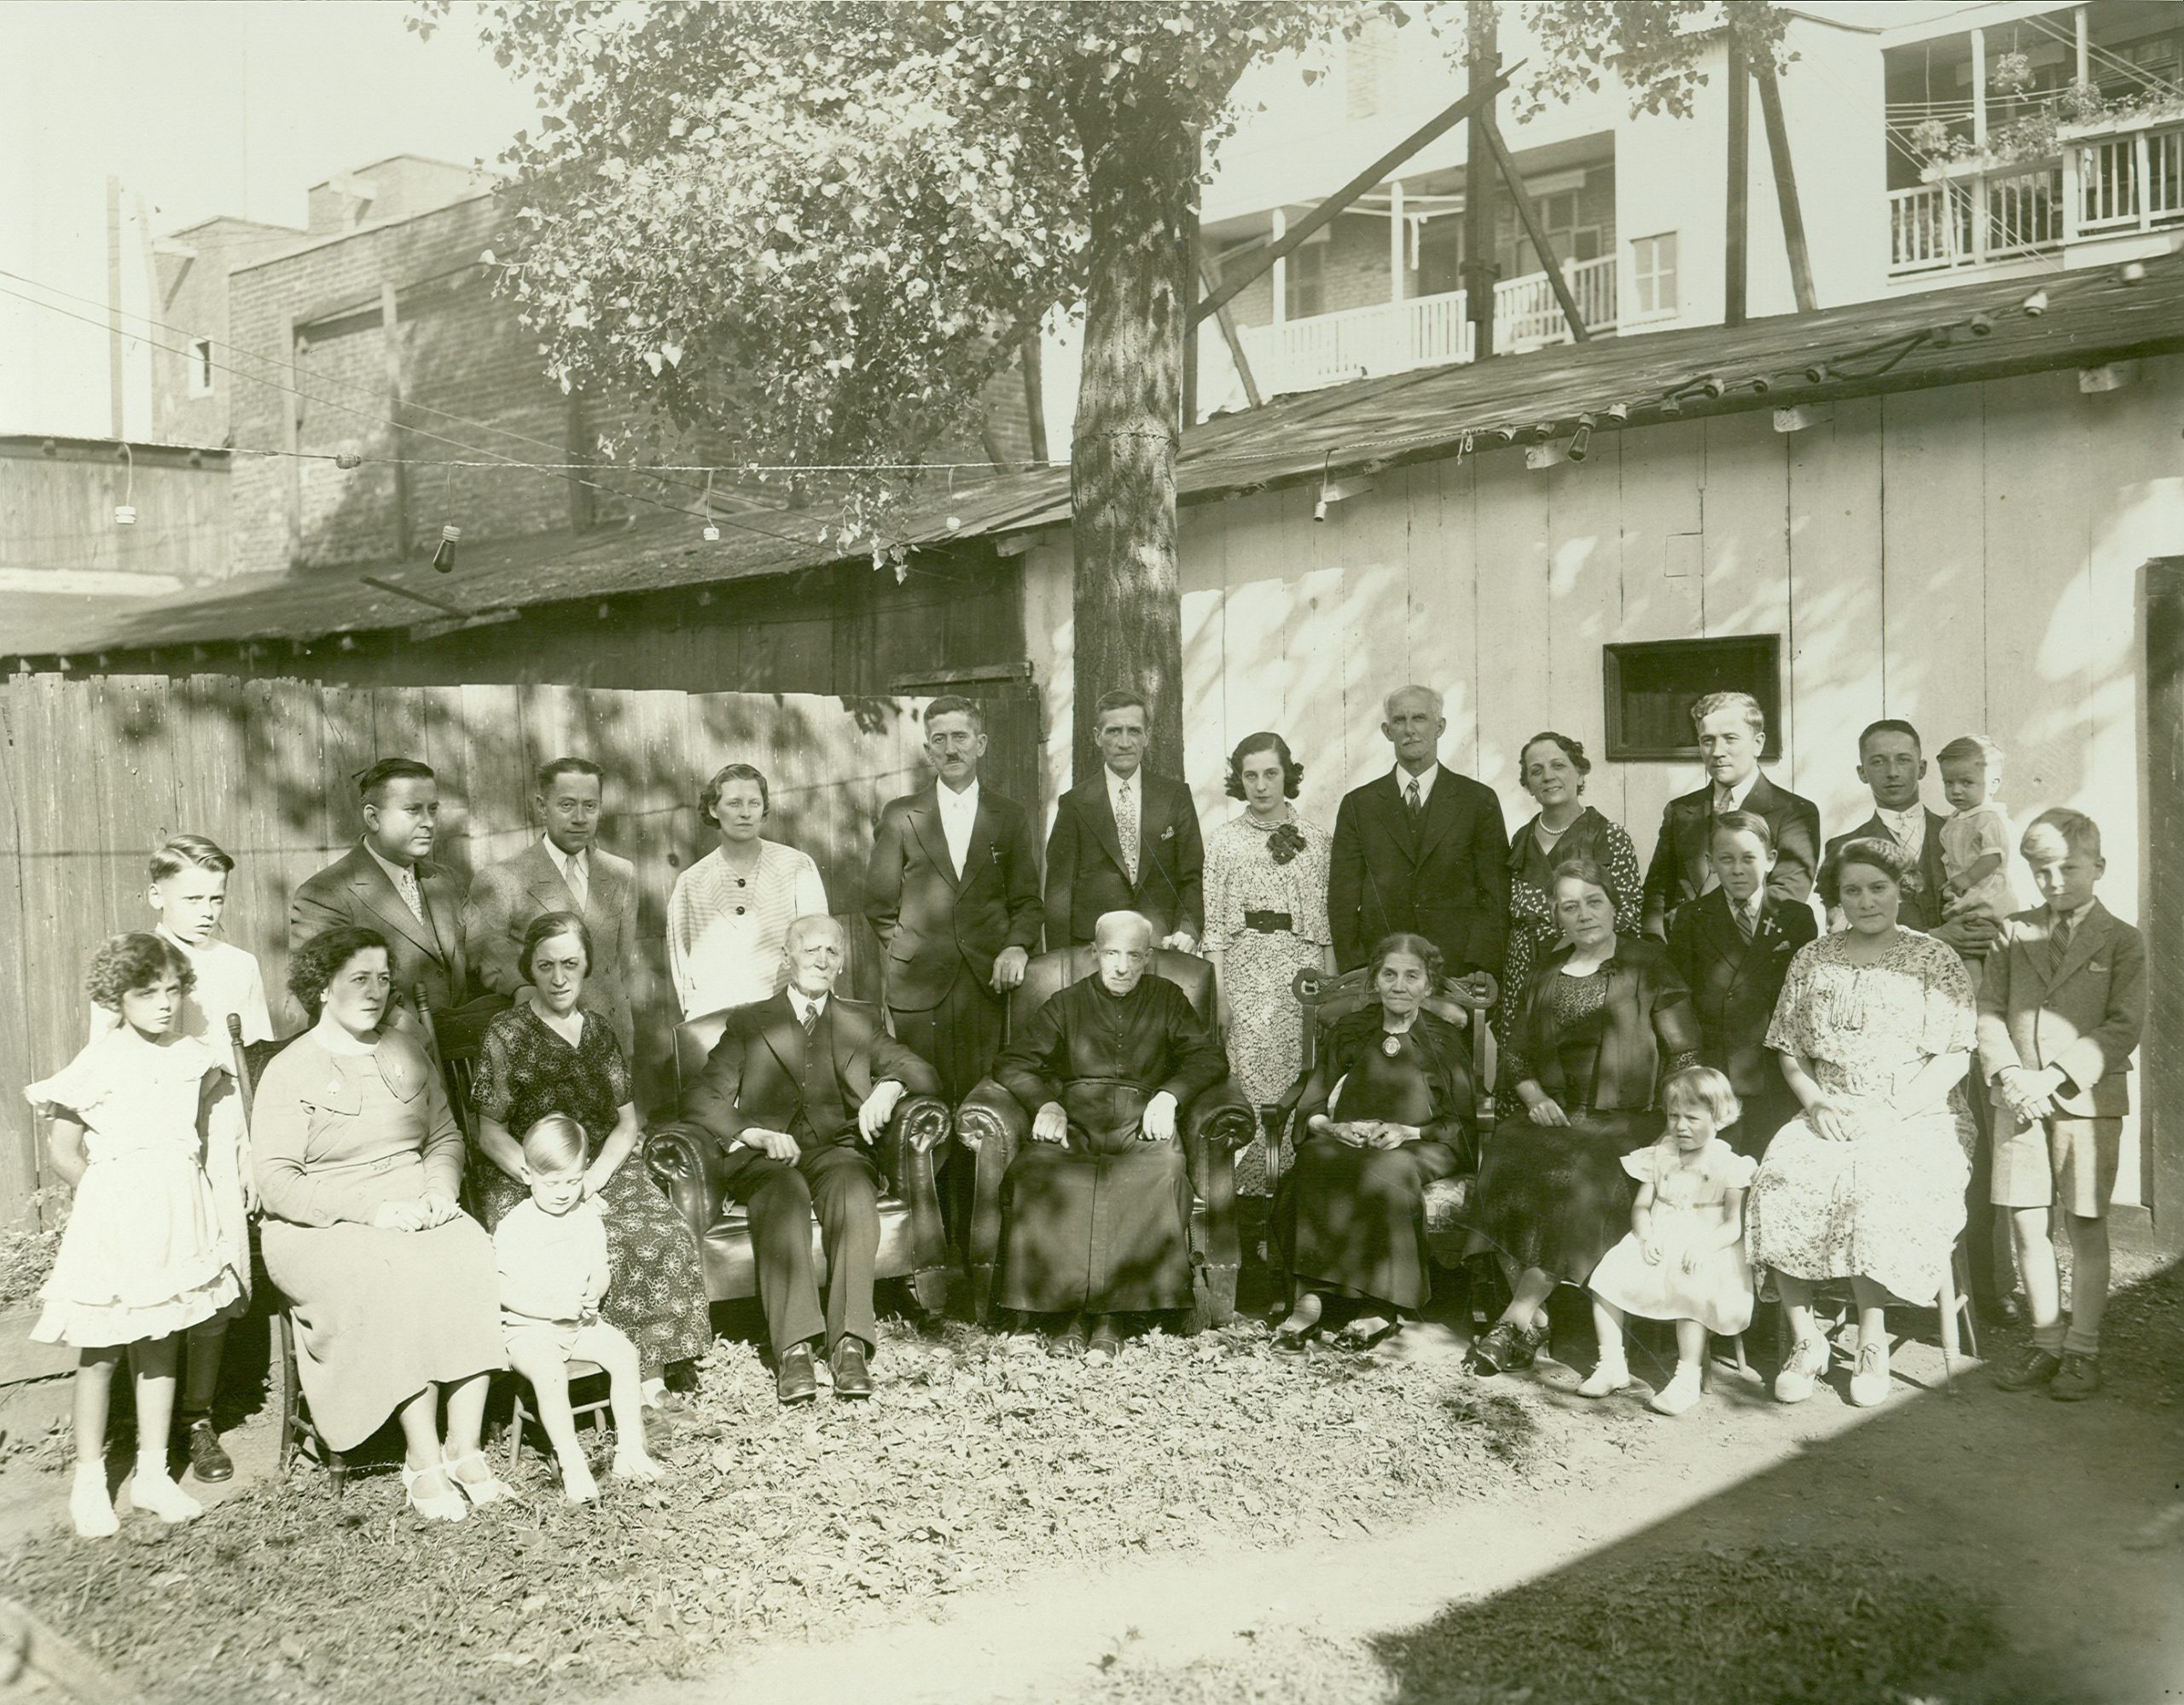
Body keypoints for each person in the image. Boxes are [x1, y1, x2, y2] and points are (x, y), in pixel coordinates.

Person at [253, 926, 510, 1522]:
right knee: (389, 1272)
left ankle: (464, 1447)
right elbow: (278, 1182)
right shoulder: (291, 1069)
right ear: (323, 987)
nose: (375, 991)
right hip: (319, 1222)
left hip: (413, 1200)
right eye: (358, 979)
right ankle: (421, 1458)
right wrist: (371, 1212)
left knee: (472, 1252)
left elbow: (444, 1135)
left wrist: (440, 1190)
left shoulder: (404, 1049)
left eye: (383, 979)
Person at [1747, 839, 1978, 1409]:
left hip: (1917, 1114)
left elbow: (1955, 1054)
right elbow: (1789, 1050)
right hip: (1831, 1105)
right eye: (1852, 889)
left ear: (1902, 890)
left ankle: (1871, 1340)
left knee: (1870, 1184)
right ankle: (1808, 1340)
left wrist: (1894, 1112)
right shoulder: (1812, 958)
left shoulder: (1933, 959)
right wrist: (1816, 1102)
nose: (1867, 900)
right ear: (1836, 896)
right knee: (1779, 1176)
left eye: (1879, 887)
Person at [28, 934, 245, 1537]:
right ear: (116, 997)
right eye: (147, 993)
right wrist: (112, 1197)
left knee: (163, 1339)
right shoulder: (99, 1060)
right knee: (100, 1352)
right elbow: (65, 1150)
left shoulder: (192, 1057)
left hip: (178, 1214)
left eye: (173, 990)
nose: (164, 1003)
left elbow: (192, 1138)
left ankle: (152, 1474)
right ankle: (90, 1479)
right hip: (116, 1222)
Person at [680, 914, 943, 1404]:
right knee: (783, 1193)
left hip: (835, 1152)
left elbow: (919, 1068)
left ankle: (849, 1346)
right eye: (810, 951)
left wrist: (889, 1086)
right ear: (787, 959)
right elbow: (701, 1098)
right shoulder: (750, 1021)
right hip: (766, 1157)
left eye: (832, 953)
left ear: (841, 964)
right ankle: (795, 1350)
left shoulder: (859, 1020)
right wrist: (752, 1133)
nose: (822, 961)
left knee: (852, 1186)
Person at [1463, 859, 1700, 1377]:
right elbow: (1516, 1053)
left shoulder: (1647, 962)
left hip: (1628, 1118)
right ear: (1557, 918)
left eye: (1594, 901)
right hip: (1558, 1116)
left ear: (1615, 906)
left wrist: (1673, 1128)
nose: (1584, 914)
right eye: (1569, 906)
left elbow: (1684, 1054)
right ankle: (1536, 1318)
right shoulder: (1546, 970)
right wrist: (1530, 1096)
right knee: (1505, 1154)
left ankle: (1514, 1318)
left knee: (1578, 1176)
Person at [469, 913, 712, 1409]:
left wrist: (593, 1178)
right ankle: (602, 1368)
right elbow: (488, 1132)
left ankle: (649, 1380)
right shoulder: (507, 1033)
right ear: (530, 969)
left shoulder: (599, 1031)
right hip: (529, 1174)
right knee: (605, 1239)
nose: (559, 979)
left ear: (587, 968)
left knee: (659, 1233)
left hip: (597, 1167)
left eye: (571, 965)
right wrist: (550, 1179)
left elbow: (626, 1122)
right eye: (546, 966)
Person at [86, 836, 270, 1486]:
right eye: (192, 897)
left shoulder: (240, 964)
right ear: (156, 894)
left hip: (218, 1130)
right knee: (147, 1276)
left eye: (216, 897)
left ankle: (197, 1416)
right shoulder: (133, 959)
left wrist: (251, 1154)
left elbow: (252, 1069)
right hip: (147, 1139)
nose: (206, 910)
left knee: (215, 1275)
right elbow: (100, 1066)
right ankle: (139, 1424)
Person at [990, 911, 1228, 1363]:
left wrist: (1170, 1096)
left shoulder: (1169, 999)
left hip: (1143, 1122)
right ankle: (1066, 1316)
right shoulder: (1065, 1002)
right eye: (1112, 954)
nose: (1122, 967)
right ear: (1095, 953)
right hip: (1077, 1121)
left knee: (1162, 1170)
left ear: (1149, 957)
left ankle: (1113, 1316)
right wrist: (1046, 1103)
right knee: (1040, 1169)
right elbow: (1013, 1062)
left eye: (1134, 956)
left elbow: (1209, 1059)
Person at [1979, 810, 2146, 1402]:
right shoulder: (2013, 931)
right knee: (2026, 1221)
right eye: (2041, 871)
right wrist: (2010, 1073)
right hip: (2019, 1099)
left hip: (2086, 1102)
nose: (2054, 882)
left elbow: (2123, 1025)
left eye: (2068, 868)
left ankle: (2083, 1348)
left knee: (2085, 1224)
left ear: (2098, 867)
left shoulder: (2122, 939)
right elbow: (1990, 1010)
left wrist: (2054, 1075)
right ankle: (2046, 1341)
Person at [867, 695, 1043, 1241]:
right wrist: (914, 953)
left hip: (990, 989)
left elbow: (1028, 903)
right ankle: (929, 1248)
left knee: (985, 1110)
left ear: (981, 744)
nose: (951, 748)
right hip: (922, 993)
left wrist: (1015, 948)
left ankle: (986, 1245)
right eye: (939, 739)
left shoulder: (1009, 816)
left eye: (961, 737)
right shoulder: (902, 814)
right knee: (927, 1109)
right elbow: (878, 906)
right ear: (927, 750)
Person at [1272, 932, 1472, 1352]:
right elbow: (1313, 1099)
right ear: (1375, 981)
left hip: (1422, 1144)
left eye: (1412, 976)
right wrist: (1334, 1128)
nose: (1400, 985)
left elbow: (1460, 1120)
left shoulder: (1442, 1040)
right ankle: (1309, 1296)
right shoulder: (1351, 1029)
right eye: (1390, 974)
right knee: (1315, 1160)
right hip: (1352, 1138)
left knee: (1389, 1171)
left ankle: (1381, 1305)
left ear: (1428, 985)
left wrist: (1406, 1132)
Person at [494, 1113, 666, 1502]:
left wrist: (594, 1290)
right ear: (527, 1175)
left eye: (572, 1181)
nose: (562, 1192)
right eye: (552, 1182)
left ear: (584, 1172)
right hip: (528, 1330)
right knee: (549, 1373)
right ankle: (572, 1463)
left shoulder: (586, 1217)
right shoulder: (516, 1225)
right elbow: (501, 1290)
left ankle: (629, 1452)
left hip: (579, 1324)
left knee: (624, 1353)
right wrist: (549, 1309)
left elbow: (600, 1270)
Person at [1199, 731, 1333, 1195]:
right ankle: (1246, 1201)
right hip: (1243, 973)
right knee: (1247, 1085)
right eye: (1250, 775)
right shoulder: (1221, 842)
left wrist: (1332, 992)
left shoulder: (1316, 840)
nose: (1260, 785)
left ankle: (1294, 1197)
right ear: (1239, 780)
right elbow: (1212, 927)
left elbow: (1325, 925)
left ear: (1287, 775)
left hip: (1300, 974)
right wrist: (1219, 995)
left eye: (1270, 773)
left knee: (1301, 1078)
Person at [1583, 1067, 1757, 1417]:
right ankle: (1612, 1362)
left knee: (1691, 1289)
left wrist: (1704, 1246)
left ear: (1719, 1117)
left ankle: (1686, 1377)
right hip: (1659, 1235)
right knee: (1606, 1279)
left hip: (1706, 1244)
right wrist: (1644, 1234)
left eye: (1691, 1118)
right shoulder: (1661, 1154)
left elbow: (1731, 1226)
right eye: (1673, 1116)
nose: (1680, 1127)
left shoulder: (1729, 1164)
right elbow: (1642, 1206)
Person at [1327, 685, 1509, 993]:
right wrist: (1358, 971)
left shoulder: (1478, 800)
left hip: (1456, 973)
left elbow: (1495, 891)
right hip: (1381, 973)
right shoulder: (1360, 804)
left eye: (1420, 719)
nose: (1410, 730)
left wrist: (1479, 967)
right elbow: (1342, 898)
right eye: (1399, 721)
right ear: (1387, 731)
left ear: (1439, 727)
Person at [467, 757, 642, 1062]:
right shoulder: (502, 879)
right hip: (544, 1049)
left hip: (612, 1042)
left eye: (590, 806)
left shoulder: (620, 874)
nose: (580, 818)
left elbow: (618, 963)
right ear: (541, 806)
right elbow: (484, 951)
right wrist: (524, 987)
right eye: (566, 805)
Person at [1664, 812, 1816, 1157]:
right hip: (1719, 1064)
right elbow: (1679, 998)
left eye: (1749, 858)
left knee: (1774, 1155)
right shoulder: (1692, 917)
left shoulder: (1796, 917)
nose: (1737, 869)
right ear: (1710, 863)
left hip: (1775, 1066)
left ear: (1771, 860)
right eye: (1726, 859)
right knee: (1721, 1160)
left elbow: (1805, 998)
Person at [290, 757, 469, 1025]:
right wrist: (395, 1020)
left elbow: (485, 942)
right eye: (413, 810)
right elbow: (318, 984)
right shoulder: (325, 894)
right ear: (373, 817)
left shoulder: (446, 881)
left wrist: (518, 986)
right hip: (380, 1053)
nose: (429, 823)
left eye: (433, 809)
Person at [1497, 733, 1641, 1050]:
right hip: (1523, 969)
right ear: (1529, 785)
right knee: (1521, 1056)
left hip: (1585, 968)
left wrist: (1568, 952)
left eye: (1558, 766)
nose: (1548, 776)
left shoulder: (1608, 835)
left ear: (1580, 773)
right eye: (1536, 771)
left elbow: (1628, 912)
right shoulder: (1521, 838)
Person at [1639, 692, 1819, 939]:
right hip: (1679, 957)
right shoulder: (1680, 811)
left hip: (1751, 955)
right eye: (1707, 740)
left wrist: (1691, 924)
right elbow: (1657, 893)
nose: (1717, 752)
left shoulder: (1794, 812)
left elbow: (1784, 896)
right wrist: (1657, 951)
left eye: (1730, 739)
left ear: (1758, 743)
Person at [1043, 690, 1205, 952]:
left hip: (1162, 947)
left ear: (1147, 736)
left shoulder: (1175, 796)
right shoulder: (1074, 803)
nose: (1125, 742)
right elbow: (1059, 894)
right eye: (1114, 731)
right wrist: (1062, 963)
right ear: (1098, 737)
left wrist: (1188, 930)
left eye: (1134, 731)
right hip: (1094, 950)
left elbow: (1192, 876)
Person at [667, 762, 828, 1023]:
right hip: (720, 1028)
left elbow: (821, 951)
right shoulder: (690, 883)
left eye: (754, 803)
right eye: (734, 803)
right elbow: (684, 974)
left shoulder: (796, 867)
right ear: (713, 809)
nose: (745, 813)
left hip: (788, 1022)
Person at [1821, 720, 1955, 936]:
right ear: (1862, 773)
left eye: (1903, 760)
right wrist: (1933, 936)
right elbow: (1844, 931)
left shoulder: (1959, 831)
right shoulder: (1843, 848)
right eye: (1878, 762)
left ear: (1922, 769)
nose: (1892, 772)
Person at [1935, 735, 2021, 928]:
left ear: (1993, 784)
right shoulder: (1961, 817)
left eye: (1966, 783)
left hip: (1987, 894)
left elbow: (1994, 855)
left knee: (1981, 935)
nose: (1956, 790)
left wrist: (1967, 878)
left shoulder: (1990, 818)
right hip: (1966, 893)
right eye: (1948, 783)